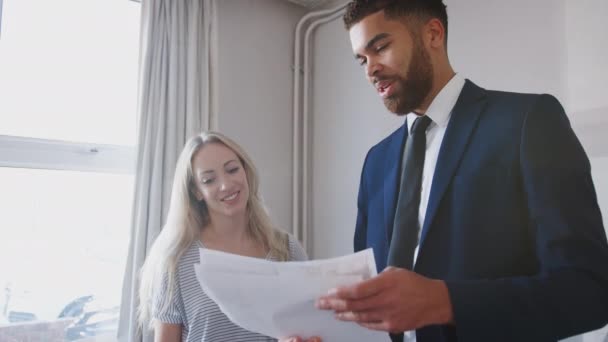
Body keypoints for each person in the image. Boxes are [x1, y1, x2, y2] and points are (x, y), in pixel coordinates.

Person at [287, 0, 608, 341]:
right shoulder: (376, 162)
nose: (370, 70)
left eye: (380, 47)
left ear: (433, 34)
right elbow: (369, 296)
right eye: (362, 59)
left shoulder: (528, 121)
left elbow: (589, 289)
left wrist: (446, 302)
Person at [138, 131, 307, 342]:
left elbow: (310, 328)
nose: (226, 185)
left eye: (233, 170)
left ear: (245, 171)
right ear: (196, 191)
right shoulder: (176, 262)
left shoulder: (287, 249)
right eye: (209, 180)